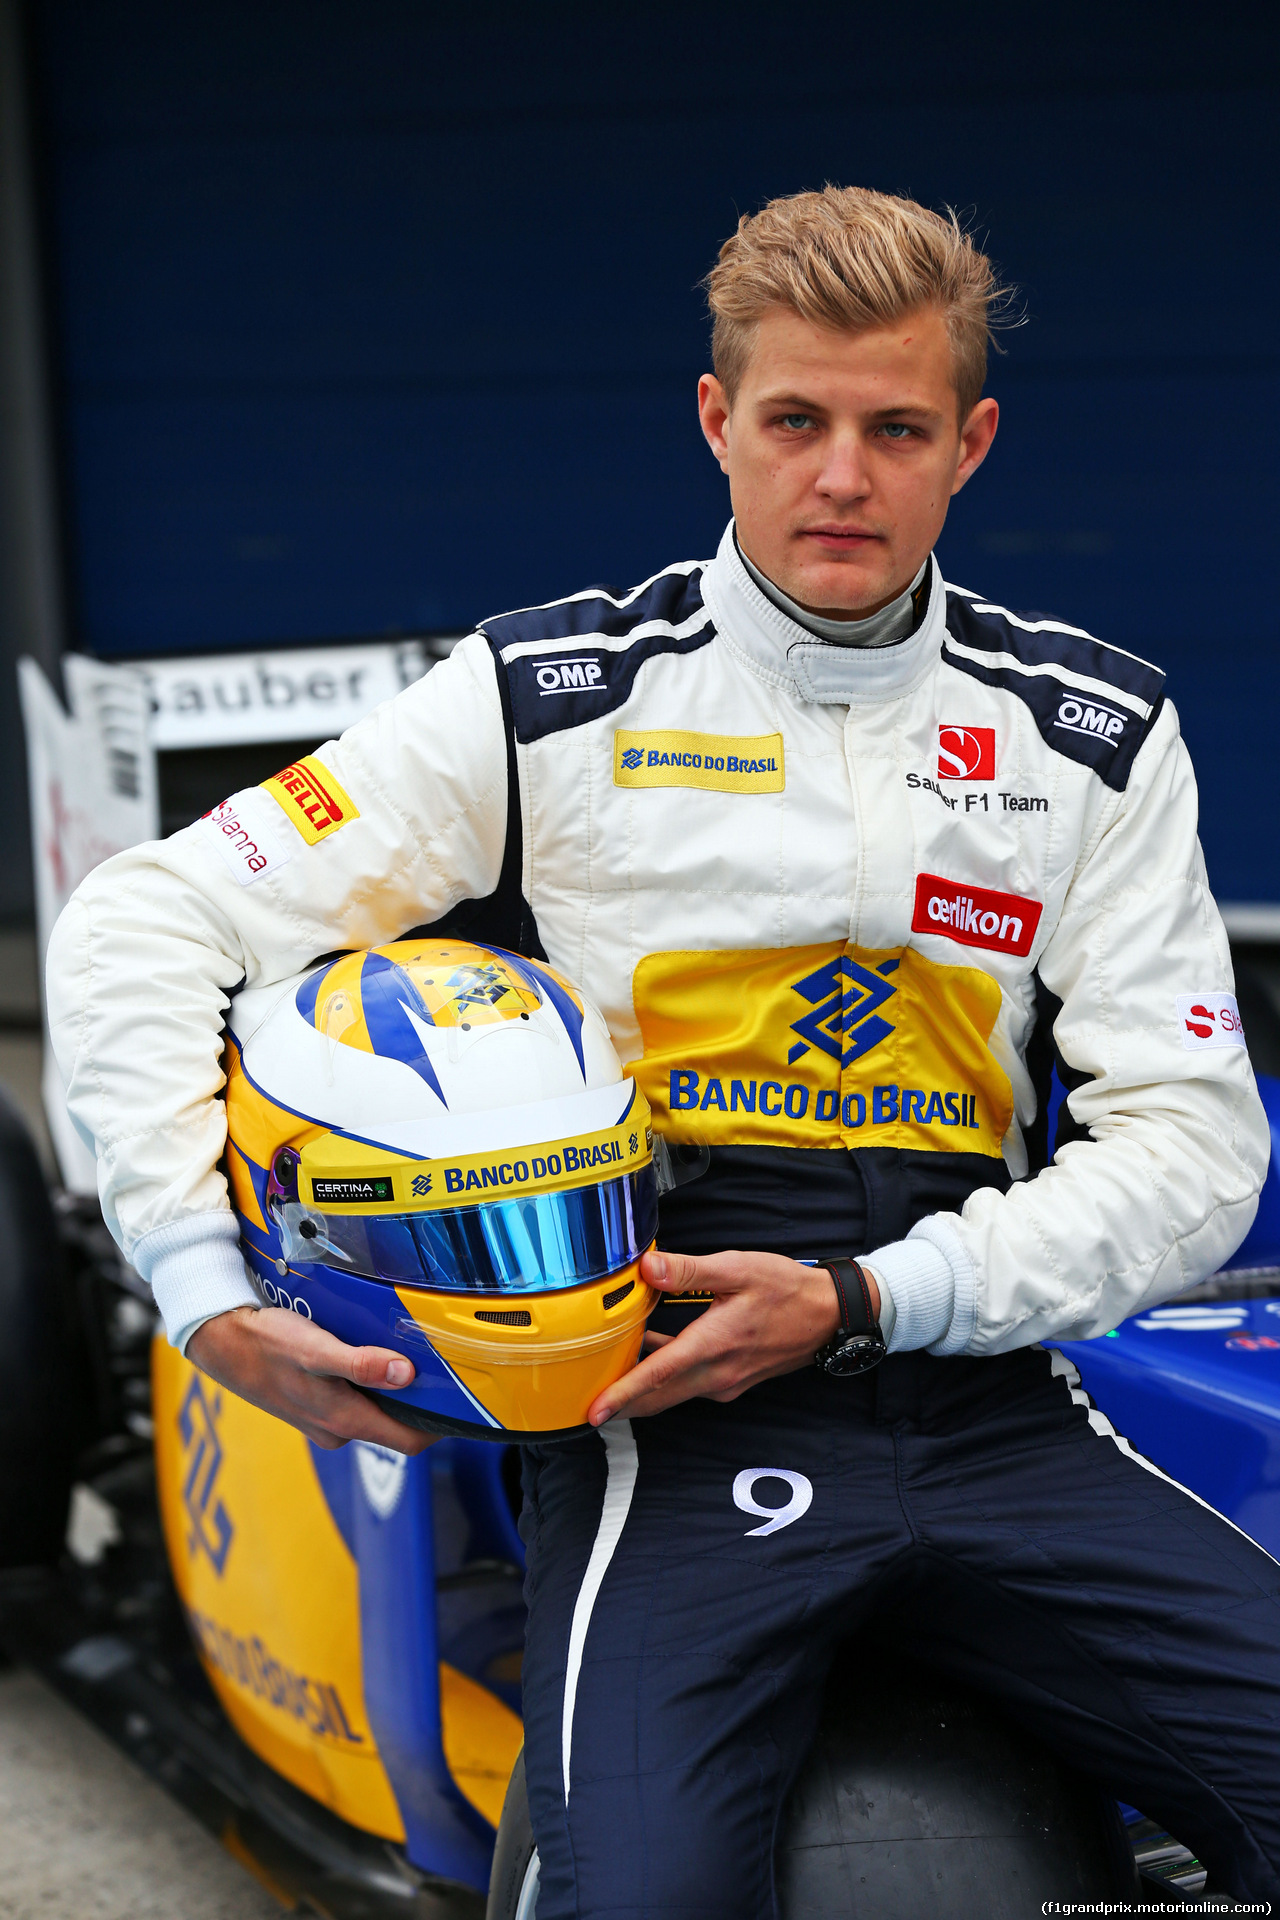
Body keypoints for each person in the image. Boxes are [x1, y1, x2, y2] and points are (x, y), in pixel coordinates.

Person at [47, 186, 1277, 1910]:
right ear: (719, 421)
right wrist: (194, 1282)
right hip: (654, 1409)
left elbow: (1196, 1145)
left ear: (970, 444)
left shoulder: (1090, 733)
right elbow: (144, 917)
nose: (841, 476)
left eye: (895, 428)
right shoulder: (553, 692)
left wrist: (871, 1300)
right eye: (795, 422)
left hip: (991, 1390)